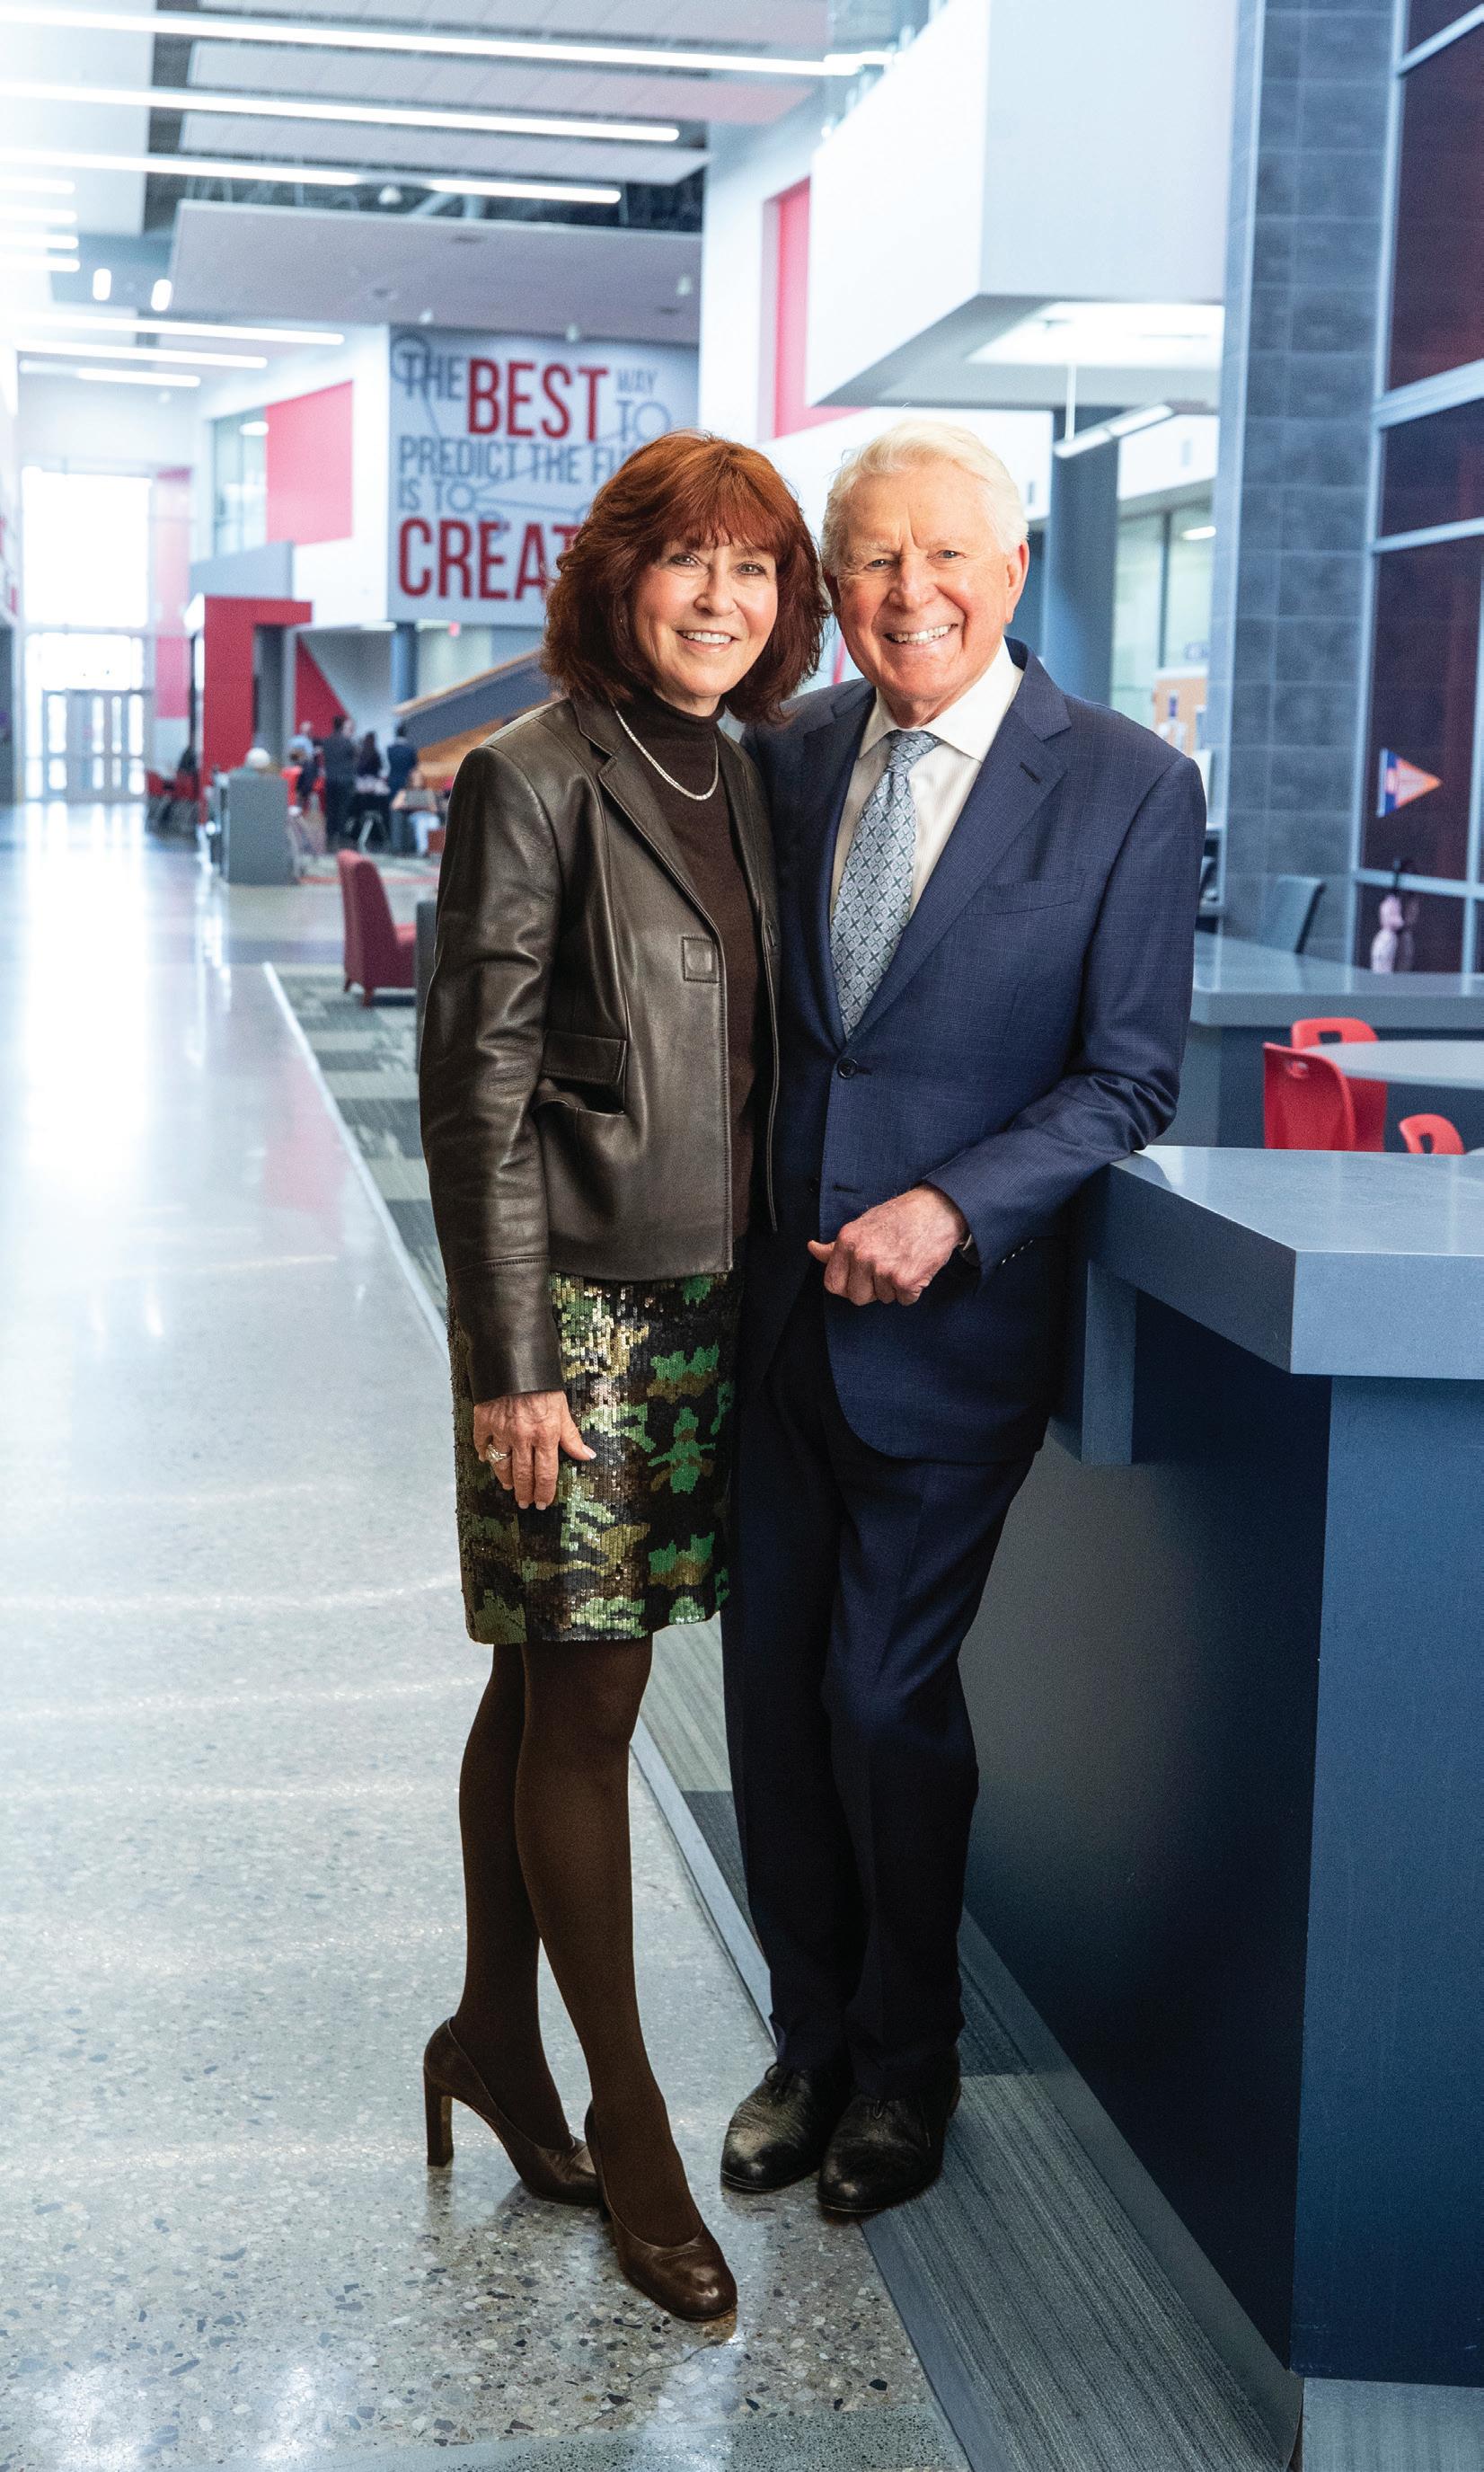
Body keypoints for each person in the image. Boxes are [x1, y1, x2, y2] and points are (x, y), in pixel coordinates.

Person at [720, 420, 1206, 2219]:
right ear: (833, 584)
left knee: (882, 1694)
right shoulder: (786, 754)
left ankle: (906, 2065)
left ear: (1012, 570)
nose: (905, 590)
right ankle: (805, 2044)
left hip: (950, 1335)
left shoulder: (1129, 786)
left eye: (942, 554)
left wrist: (955, 1205)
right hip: (772, 1318)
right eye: (869, 557)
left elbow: (1127, 1076)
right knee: (771, 1700)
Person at [418, 430, 826, 2320]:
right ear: (619, 577)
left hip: (709, 1303)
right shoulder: (532, 773)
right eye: (687, 562)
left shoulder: (746, 772)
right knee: (591, 1707)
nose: (720, 600)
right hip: (572, 1315)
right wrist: (511, 1362)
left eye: (754, 568)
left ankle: (491, 2036)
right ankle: (628, 2115)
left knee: (546, 1680)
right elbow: (476, 1083)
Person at [321, 713, 356, 846]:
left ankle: (330, 834)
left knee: (330, 808)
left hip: (330, 779)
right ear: (342, 726)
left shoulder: (327, 742)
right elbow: (353, 759)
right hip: (344, 780)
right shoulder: (347, 742)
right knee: (343, 809)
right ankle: (342, 835)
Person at [391, 762, 439, 857]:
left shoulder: (427, 792)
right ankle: (423, 850)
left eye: (419, 778)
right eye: (415, 778)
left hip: (428, 815)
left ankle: (434, 851)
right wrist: (410, 806)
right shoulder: (404, 792)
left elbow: (434, 809)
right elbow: (394, 806)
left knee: (434, 821)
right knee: (421, 822)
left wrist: (425, 807)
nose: (418, 781)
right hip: (414, 816)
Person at [386, 721, 418, 800]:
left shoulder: (390, 749)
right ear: (405, 734)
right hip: (406, 782)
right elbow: (415, 767)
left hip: (393, 782)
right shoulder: (410, 750)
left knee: (393, 803)